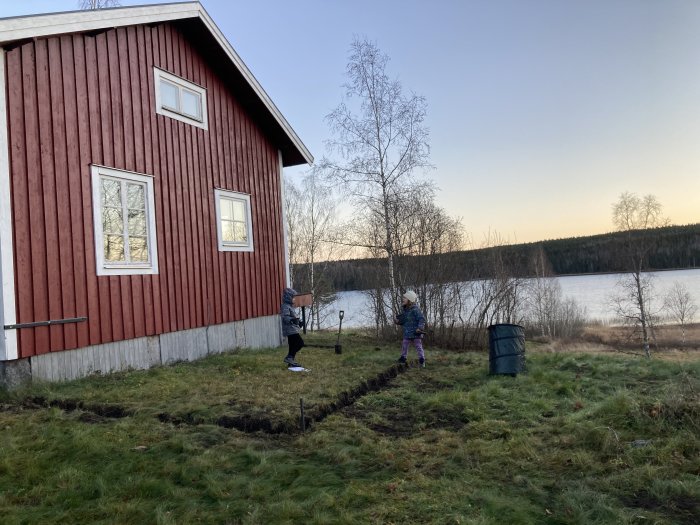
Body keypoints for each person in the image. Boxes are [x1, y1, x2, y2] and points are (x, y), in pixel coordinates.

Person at [394, 290, 426, 368]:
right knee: (404, 345)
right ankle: (403, 358)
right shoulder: (405, 310)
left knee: (418, 346)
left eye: (405, 298)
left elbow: (422, 319)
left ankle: (422, 360)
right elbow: (404, 321)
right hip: (407, 332)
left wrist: (420, 328)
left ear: (410, 300)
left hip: (416, 332)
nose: (403, 299)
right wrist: (398, 322)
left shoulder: (415, 309)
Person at [281, 287, 305, 367]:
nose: (294, 299)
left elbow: (294, 316)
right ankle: (289, 357)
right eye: (293, 298)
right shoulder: (285, 306)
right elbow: (285, 317)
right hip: (290, 329)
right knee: (300, 343)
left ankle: (291, 361)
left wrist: (299, 322)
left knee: (292, 346)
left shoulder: (290, 306)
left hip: (293, 328)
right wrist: (292, 320)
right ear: (288, 297)